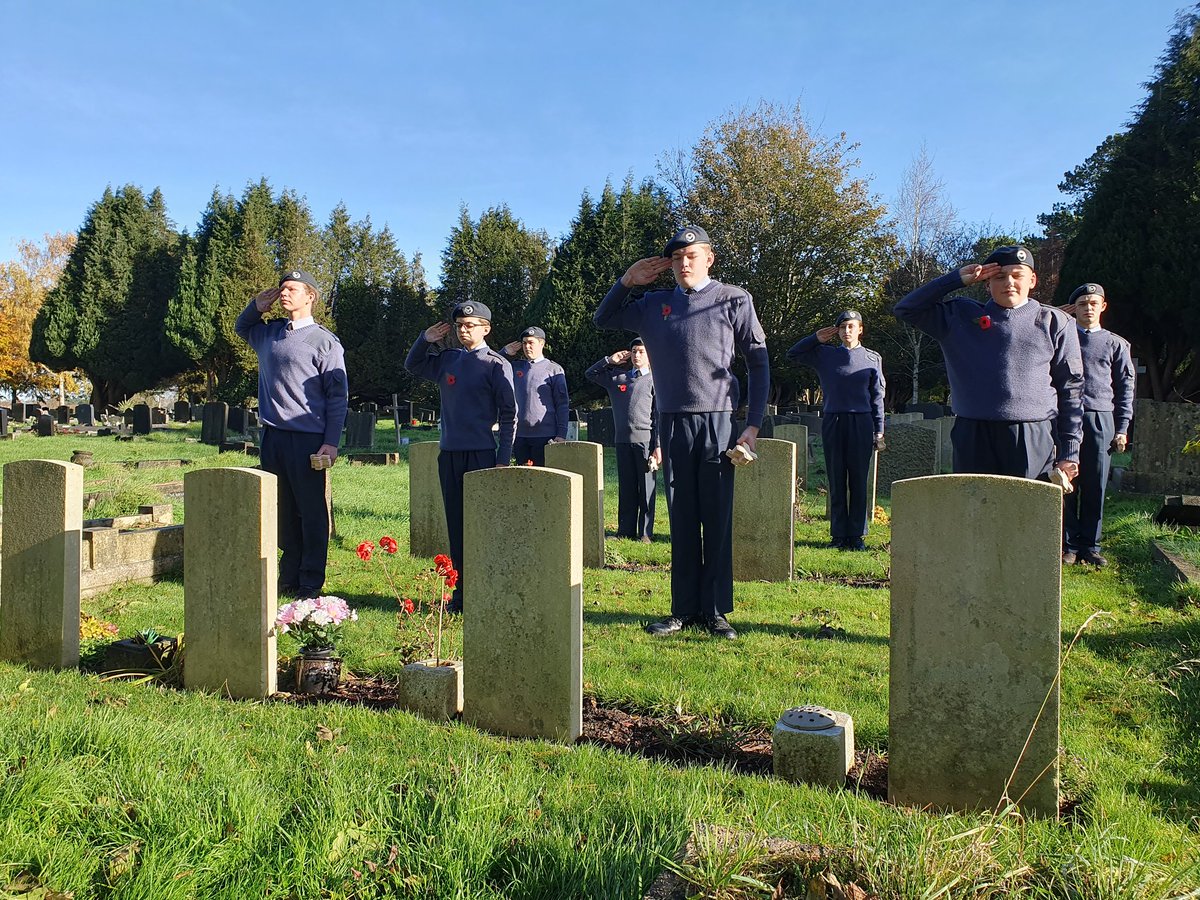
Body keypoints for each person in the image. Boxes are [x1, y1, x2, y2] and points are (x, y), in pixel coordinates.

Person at [594, 224, 769, 640]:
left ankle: (715, 611)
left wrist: (753, 425)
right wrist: (626, 281)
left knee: (717, 515)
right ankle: (683, 609)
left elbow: (759, 363)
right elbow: (603, 318)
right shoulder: (654, 304)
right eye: (676, 257)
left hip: (719, 421)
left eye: (692, 255)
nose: (684, 263)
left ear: (710, 259)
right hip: (672, 420)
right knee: (683, 518)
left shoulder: (733, 299)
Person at [893, 245, 1083, 483]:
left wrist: (1070, 451)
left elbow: (1071, 390)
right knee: (973, 515)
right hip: (973, 434)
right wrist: (956, 279)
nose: (1009, 283)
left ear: (1032, 280)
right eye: (999, 277)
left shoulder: (1054, 321)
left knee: (1027, 515)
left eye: (1017, 276)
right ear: (986, 283)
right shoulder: (959, 316)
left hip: (1032, 434)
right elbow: (906, 309)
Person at [235, 269, 348, 598]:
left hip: (309, 439)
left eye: (293, 289)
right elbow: (242, 327)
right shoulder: (268, 334)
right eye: (282, 288)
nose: (285, 293)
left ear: (310, 296)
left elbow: (337, 398)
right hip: (273, 436)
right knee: (281, 509)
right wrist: (256, 306)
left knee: (311, 510)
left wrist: (330, 442)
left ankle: (311, 580)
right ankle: (289, 574)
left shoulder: (325, 342)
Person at [405, 301, 516, 613]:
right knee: (456, 526)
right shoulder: (448, 360)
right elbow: (413, 366)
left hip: (482, 455)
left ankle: (488, 588)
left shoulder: (496, 364)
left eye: (471, 324)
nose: (464, 329)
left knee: (482, 525)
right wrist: (424, 340)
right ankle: (462, 594)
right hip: (450, 454)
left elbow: (509, 414)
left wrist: (502, 458)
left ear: (486, 329)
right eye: (459, 325)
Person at [787, 311, 885, 551]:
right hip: (833, 420)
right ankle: (839, 535)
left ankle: (857, 535)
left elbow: (877, 397)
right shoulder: (825, 355)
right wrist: (815, 338)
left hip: (861, 422)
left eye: (851, 326)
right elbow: (793, 354)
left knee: (859, 480)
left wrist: (879, 430)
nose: (846, 331)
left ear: (860, 329)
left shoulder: (872, 358)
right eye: (842, 327)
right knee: (836, 478)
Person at [1059, 283, 1135, 567]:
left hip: (1100, 417)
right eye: (1082, 303)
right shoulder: (1062, 338)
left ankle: (1091, 546)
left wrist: (1122, 427)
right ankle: (1068, 545)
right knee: (1066, 483)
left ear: (1103, 306)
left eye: (1093, 303)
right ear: (1073, 309)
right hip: (1064, 417)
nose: (1088, 308)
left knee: (1095, 484)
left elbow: (1126, 387)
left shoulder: (1116, 343)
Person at [585, 338, 660, 542]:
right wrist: (610, 360)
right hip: (622, 441)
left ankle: (645, 533)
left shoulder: (655, 380)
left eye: (641, 352)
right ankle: (625, 531)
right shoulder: (619, 378)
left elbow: (659, 415)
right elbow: (590, 374)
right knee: (626, 488)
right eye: (634, 351)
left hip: (645, 441)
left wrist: (658, 447)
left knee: (646, 488)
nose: (636, 355)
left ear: (649, 355)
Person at [500, 326, 569, 465]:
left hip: (545, 434)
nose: (527, 346)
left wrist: (561, 434)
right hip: (519, 434)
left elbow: (562, 403)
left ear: (541, 344)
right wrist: (505, 352)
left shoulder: (553, 369)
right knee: (522, 479)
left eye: (531, 342)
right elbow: (491, 366)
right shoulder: (515, 367)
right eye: (524, 343)